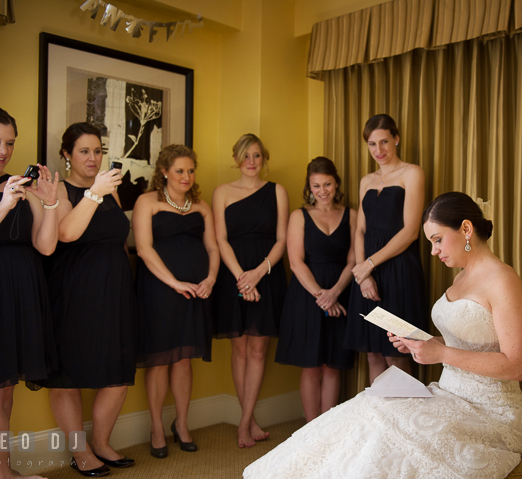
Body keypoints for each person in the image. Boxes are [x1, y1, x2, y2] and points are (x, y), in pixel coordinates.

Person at [243, 192, 522, 479]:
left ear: (466, 229)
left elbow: (516, 365)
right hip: (450, 394)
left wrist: (442, 354)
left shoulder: (503, 280)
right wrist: (426, 343)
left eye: (437, 240)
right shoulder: (461, 276)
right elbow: (473, 343)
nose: (434, 251)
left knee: (388, 427)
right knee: (369, 405)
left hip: (491, 414)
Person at [0, 107, 59, 479]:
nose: (4, 150)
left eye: (10, 143)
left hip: (20, 289)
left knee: (5, 390)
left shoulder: (20, 185)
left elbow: (46, 246)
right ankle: (6, 477)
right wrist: (4, 205)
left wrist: (48, 202)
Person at [41, 122, 136, 477]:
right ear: (67, 155)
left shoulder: (109, 189)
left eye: (98, 151)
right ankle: (80, 452)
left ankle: (103, 443)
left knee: (118, 369)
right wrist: (94, 191)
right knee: (69, 374)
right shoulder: (61, 190)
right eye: (84, 151)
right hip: (74, 290)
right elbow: (66, 233)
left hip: (115, 288)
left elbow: (119, 237)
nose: (93, 158)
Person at [132, 144, 220, 458]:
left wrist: (210, 278)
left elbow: (212, 247)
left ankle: (181, 424)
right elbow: (143, 249)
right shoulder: (147, 201)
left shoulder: (201, 205)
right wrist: (174, 282)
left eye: (190, 170)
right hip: (159, 289)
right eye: (179, 170)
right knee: (159, 359)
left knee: (184, 358)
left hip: (197, 289)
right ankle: (157, 426)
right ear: (165, 171)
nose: (186, 176)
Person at [211, 133, 288, 448]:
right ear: (236, 159)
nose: (252, 162)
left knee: (258, 350)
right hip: (234, 273)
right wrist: (242, 277)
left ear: (264, 158)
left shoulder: (277, 191)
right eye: (246, 156)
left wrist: (258, 273)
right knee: (240, 349)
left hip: (266, 273)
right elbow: (221, 239)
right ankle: (249, 419)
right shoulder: (222, 192)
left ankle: (244, 424)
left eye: (257, 155)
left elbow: (282, 239)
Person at [344, 113, 428, 382]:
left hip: (400, 270)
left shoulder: (412, 173)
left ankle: (404, 421)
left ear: (397, 139)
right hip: (368, 273)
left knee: (397, 351)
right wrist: (364, 274)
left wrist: (369, 264)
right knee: (373, 353)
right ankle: (381, 421)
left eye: (384, 142)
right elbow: (360, 230)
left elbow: (411, 231)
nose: (378, 150)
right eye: (371, 144)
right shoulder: (366, 181)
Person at [275, 157, 357, 422]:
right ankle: (310, 430)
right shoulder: (299, 216)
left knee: (333, 365)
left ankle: (327, 428)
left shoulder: (351, 215)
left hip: (341, 291)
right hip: (307, 294)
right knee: (311, 367)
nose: (322, 191)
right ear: (309, 187)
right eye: (316, 186)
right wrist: (322, 296)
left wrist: (334, 293)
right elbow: (296, 262)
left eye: (327, 184)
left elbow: (353, 260)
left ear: (336, 183)